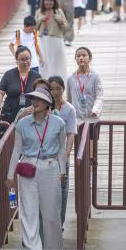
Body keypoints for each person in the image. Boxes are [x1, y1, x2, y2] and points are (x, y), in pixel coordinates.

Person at [6, 85, 67, 250]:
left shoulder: (59, 123)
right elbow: (16, 150)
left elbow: (62, 148)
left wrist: (63, 171)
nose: (35, 102)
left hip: (51, 166)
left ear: (48, 103)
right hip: (28, 167)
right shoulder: (22, 124)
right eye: (33, 99)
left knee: (52, 213)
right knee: (29, 211)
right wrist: (10, 175)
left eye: (40, 99)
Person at [0, 46, 42, 140]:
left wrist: (36, 108)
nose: (25, 62)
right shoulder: (9, 74)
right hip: (9, 114)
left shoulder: (37, 76)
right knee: (5, 142)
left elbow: (42, 96)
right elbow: (0, 92)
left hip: (29, 115)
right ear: (16, 60)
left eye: (28, 58)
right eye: (22, 59)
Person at [48, 76, 78, 229]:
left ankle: (60, 223)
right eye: (51, 89)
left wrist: (66, 155)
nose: (54, 92)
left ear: (63, 90)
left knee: (62, 191)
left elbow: (71, 133)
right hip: (46, 155)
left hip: (60, 156)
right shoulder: (44, 107)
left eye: (58, 89)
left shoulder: (69, 109)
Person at [36, 0, 68, 81]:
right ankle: (45, 81)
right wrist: (40, 19)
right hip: (43, 40)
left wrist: (60, 21)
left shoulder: (58, 11)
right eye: (46, 4)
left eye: (50, 4)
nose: (48, 6)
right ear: (43, 3)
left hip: (56, 39)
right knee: (45, 62)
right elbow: (35, 27)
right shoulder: (39, 12)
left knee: (57, 62)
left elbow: (65, 27)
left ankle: (59, 81)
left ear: (54, 3)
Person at [70, 47, 103, 122]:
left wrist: (95, 111)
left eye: (84, 55)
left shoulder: (95, 76)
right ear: (75, 59)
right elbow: (69, 100)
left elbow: (99, 96)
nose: (81, 58)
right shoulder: (71, 78)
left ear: (90, 58)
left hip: (92, 118)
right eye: (78, 56)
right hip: (77, 119)